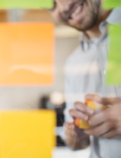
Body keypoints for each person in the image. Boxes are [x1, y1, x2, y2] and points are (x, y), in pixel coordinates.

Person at [49, 0, 121, 157]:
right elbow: (77, 144)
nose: (62, 7)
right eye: (50, 4)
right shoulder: (73, 63)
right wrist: (76, 135)